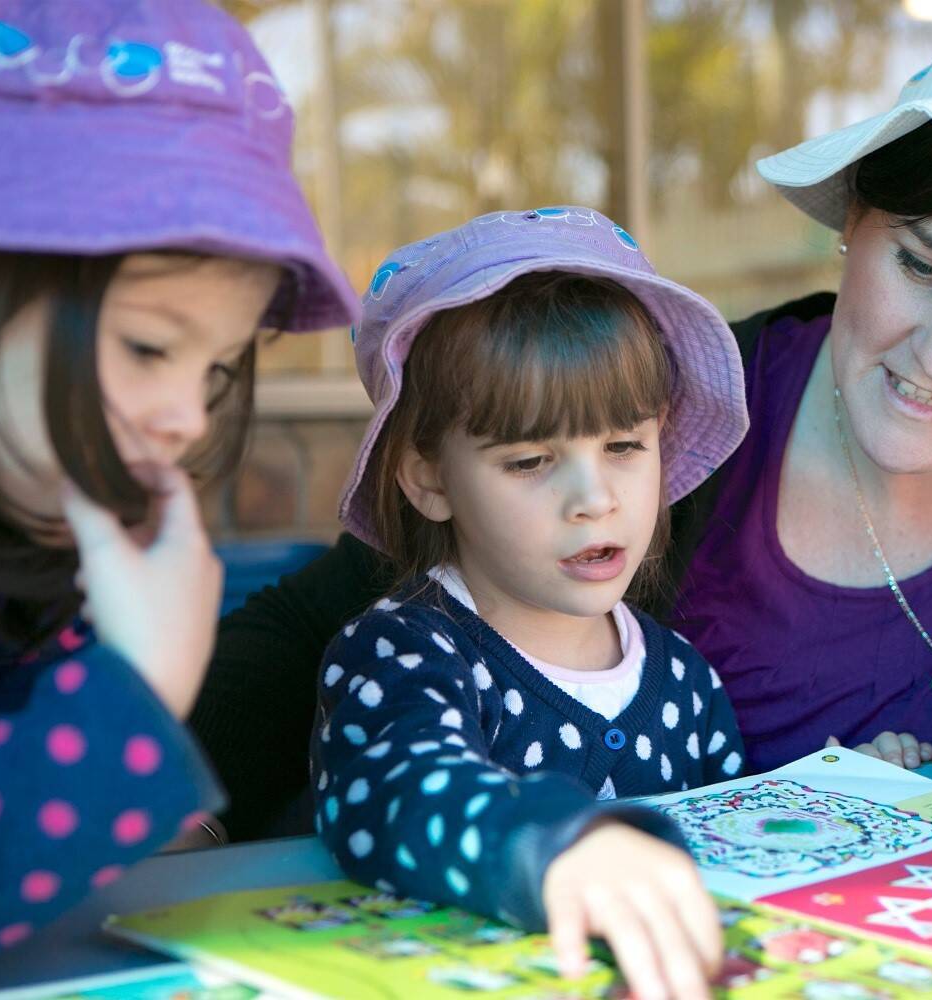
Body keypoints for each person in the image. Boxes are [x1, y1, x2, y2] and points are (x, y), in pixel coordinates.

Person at [190, 0, 932, 847]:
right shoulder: (659, 415)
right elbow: (320, 630)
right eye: (923, 267)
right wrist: (156, 803)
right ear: (857, 222)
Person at [0, 1, 358, 986]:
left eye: (215, 370)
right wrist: (136, 699)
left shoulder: (15, 545)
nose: (189, 420)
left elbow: (29, 712)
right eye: (149, 346)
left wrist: (162, 798)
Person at [314, 208, 748, 1000]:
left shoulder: (685, 680)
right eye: (531, 460)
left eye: (624, 446)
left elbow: (737, 851)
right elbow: (399, 791)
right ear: (430, 479)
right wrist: (555, 846)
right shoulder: (404, 653)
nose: (593, 500)